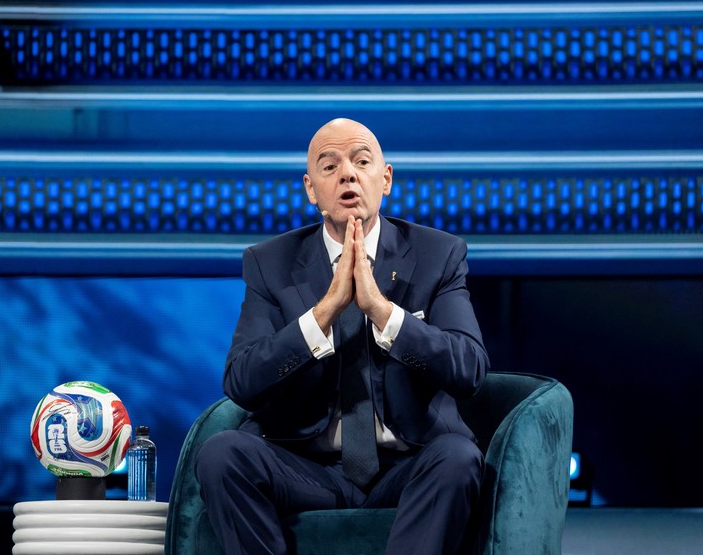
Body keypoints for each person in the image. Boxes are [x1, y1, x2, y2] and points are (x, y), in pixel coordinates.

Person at [196, 118, 490, 555]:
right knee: (222, 455)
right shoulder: (270, 263)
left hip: (408, 463)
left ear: (385, 179)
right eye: (329, 166)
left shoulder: (438, 255)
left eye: (362, 161)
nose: (348, 174)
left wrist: (383, 312)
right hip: (305, 467)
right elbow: (241, 380)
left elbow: (469, 368)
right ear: (311, 190)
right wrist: (323, 313)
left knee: (458, 459)